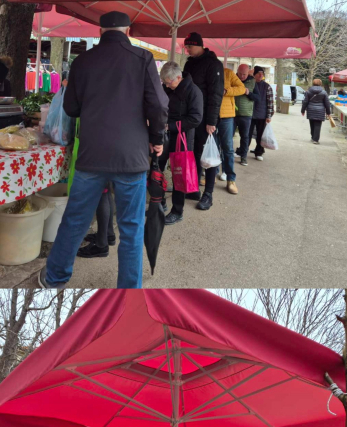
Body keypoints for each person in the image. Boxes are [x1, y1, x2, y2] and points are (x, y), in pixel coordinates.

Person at [39, 11, 169, 290]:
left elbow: (71, 108)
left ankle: (55, 278)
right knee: (131, 228)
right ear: (128, 30)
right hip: (131, 156)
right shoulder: (143, 58)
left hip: (91, 154)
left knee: (75, 220)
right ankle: (128, 291)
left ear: (100, 31)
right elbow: (158, 104)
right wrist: (156, 137)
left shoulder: (83, 61)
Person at [181, 32, 225, 210]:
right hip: (191, 116)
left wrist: (212, 121)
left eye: (189, 47)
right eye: (186, 47)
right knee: (194, 154)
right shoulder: (190, 63)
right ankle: (193, 188)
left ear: (199, 45)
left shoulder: (214, 64)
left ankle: (208, 194)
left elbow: (216, 94)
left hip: (207, 117)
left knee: (209, 157)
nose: (187, 50)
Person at [156, 61, 203, 226]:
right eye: (165, 83)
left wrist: (173, 126)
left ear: (178, 77)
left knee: (179, 173)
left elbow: (196, 118)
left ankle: (177, 211)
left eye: (169, 82)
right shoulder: (167, 87)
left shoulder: (193, 91)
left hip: (183, 135)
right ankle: (158, 202)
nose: (167, 85)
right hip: (165, 133)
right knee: (156, 167)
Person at [217, 62, 247, 194]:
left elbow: (241, 88)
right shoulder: (207, 72)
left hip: (227, 115)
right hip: (210, 115)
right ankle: (208, 175)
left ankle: (231, 179)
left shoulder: (228, 73)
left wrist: (226, 91)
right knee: (211, 146)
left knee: (227, 148)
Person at [233, 64, 256, 167]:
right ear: (237, 72)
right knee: (228, 136)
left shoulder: (253, 82)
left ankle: (243, 156)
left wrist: (249, 93)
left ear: (248, 73)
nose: (242, 76)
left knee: (245, 136)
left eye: (244, 74)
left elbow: (258, 98)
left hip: (246, 114)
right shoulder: (232, 79)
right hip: (231, 113)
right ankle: (225, 155)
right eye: (240, 74)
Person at [250, 66, 274, 161]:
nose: (260, 75)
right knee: (247, 134)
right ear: (254, 75)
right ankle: (242, 151)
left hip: (262, 115)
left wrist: (269, 115)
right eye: (258, 73)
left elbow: (270, 102)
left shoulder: (267, 86)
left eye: (262, 74)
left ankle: (259, 152)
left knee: (260, 135)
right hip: (250, 114)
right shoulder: (250, 84)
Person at [301, 78, 333, 145]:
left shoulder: (309, 91)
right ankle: (316, 139)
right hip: (320, 110)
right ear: (320, 84)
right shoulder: (324, 92)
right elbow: (327, 103)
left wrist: (303, 110)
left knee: (312, 124)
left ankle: (313, 137)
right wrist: (328, 113)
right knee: (318, 125)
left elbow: (305, 101)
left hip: (311, 109)